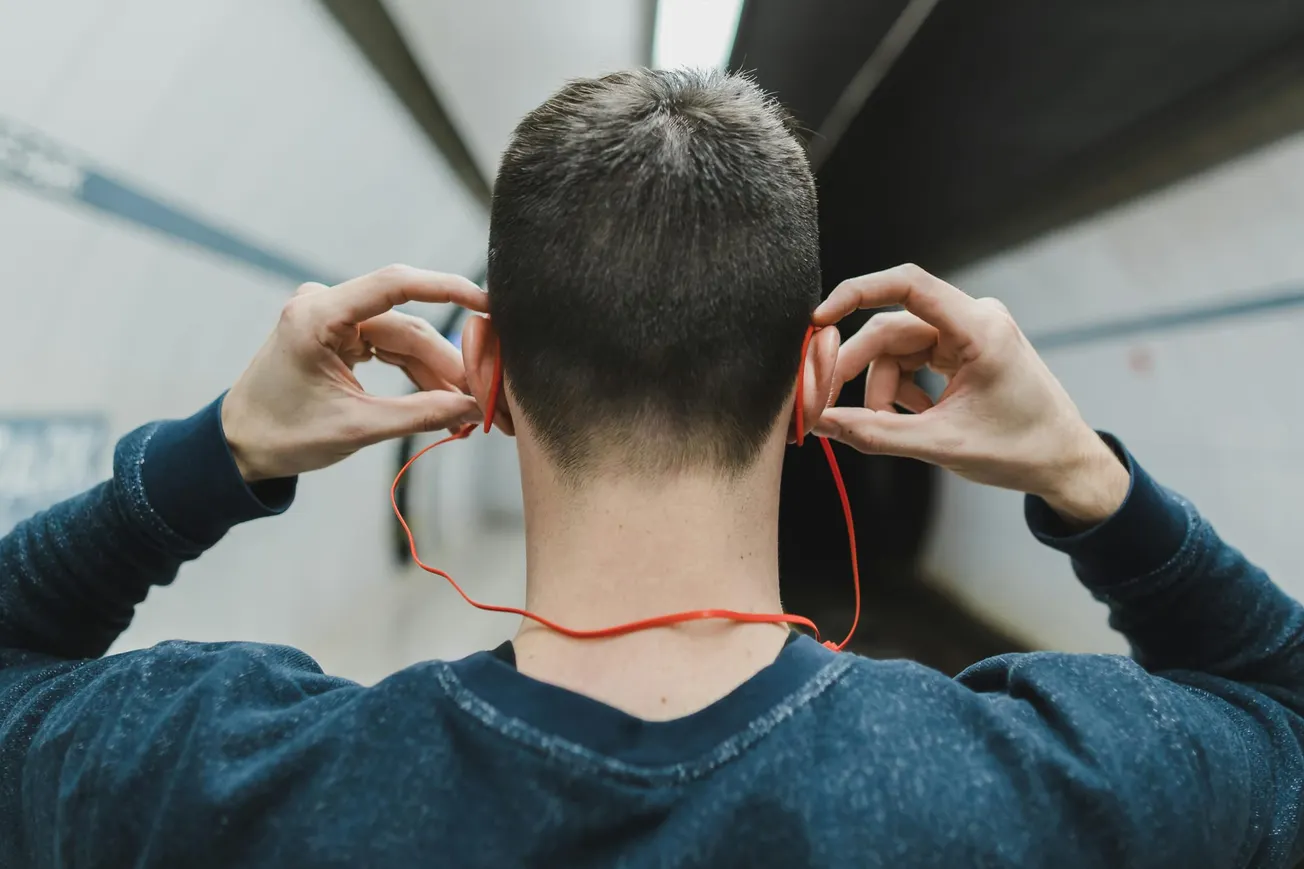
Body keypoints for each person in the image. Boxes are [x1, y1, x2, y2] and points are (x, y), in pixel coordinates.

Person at [1, 69, 1301, 869]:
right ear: (810, 378)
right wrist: (1090, 480)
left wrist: (212, 451)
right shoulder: (1049, 791)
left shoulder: (237, 786)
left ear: (489, 370)